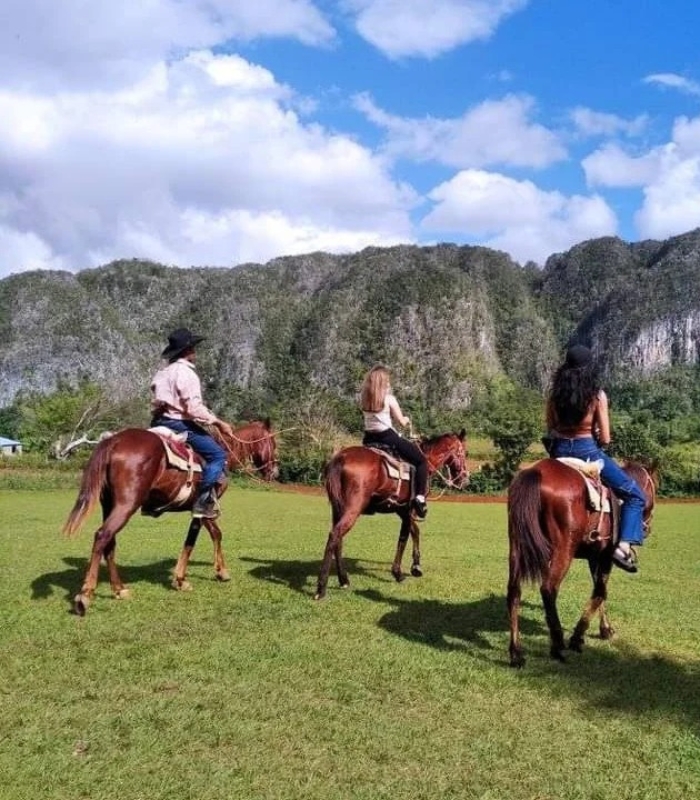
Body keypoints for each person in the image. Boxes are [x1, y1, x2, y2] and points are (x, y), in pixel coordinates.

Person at [545, 344, 646, 573]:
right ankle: (622, 547)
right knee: (634, 494)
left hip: (559, 451)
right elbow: (607, 438)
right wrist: (596, 436)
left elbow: (551, 426)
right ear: (589, 368)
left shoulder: (555, 395)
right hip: (587, 451)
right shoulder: (597, 395)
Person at [150, 328, 234, 518]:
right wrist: (219, 422)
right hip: (178, 423)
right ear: (188, 351)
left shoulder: (162, 373)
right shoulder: (187, 374)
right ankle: (202, 501)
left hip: (158, 421)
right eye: (193, 348)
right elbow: (193, 409)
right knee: (217, 455)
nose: (195, 352)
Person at [360, 365, 429, 519]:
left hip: (369, 439)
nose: (389, 384)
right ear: (382, 383)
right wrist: (406, 419)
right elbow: (401, 422)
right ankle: (419, 498)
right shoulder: (389, 399)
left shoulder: (364, 398)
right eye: (387, 381)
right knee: (421, 461)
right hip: (388, 438)